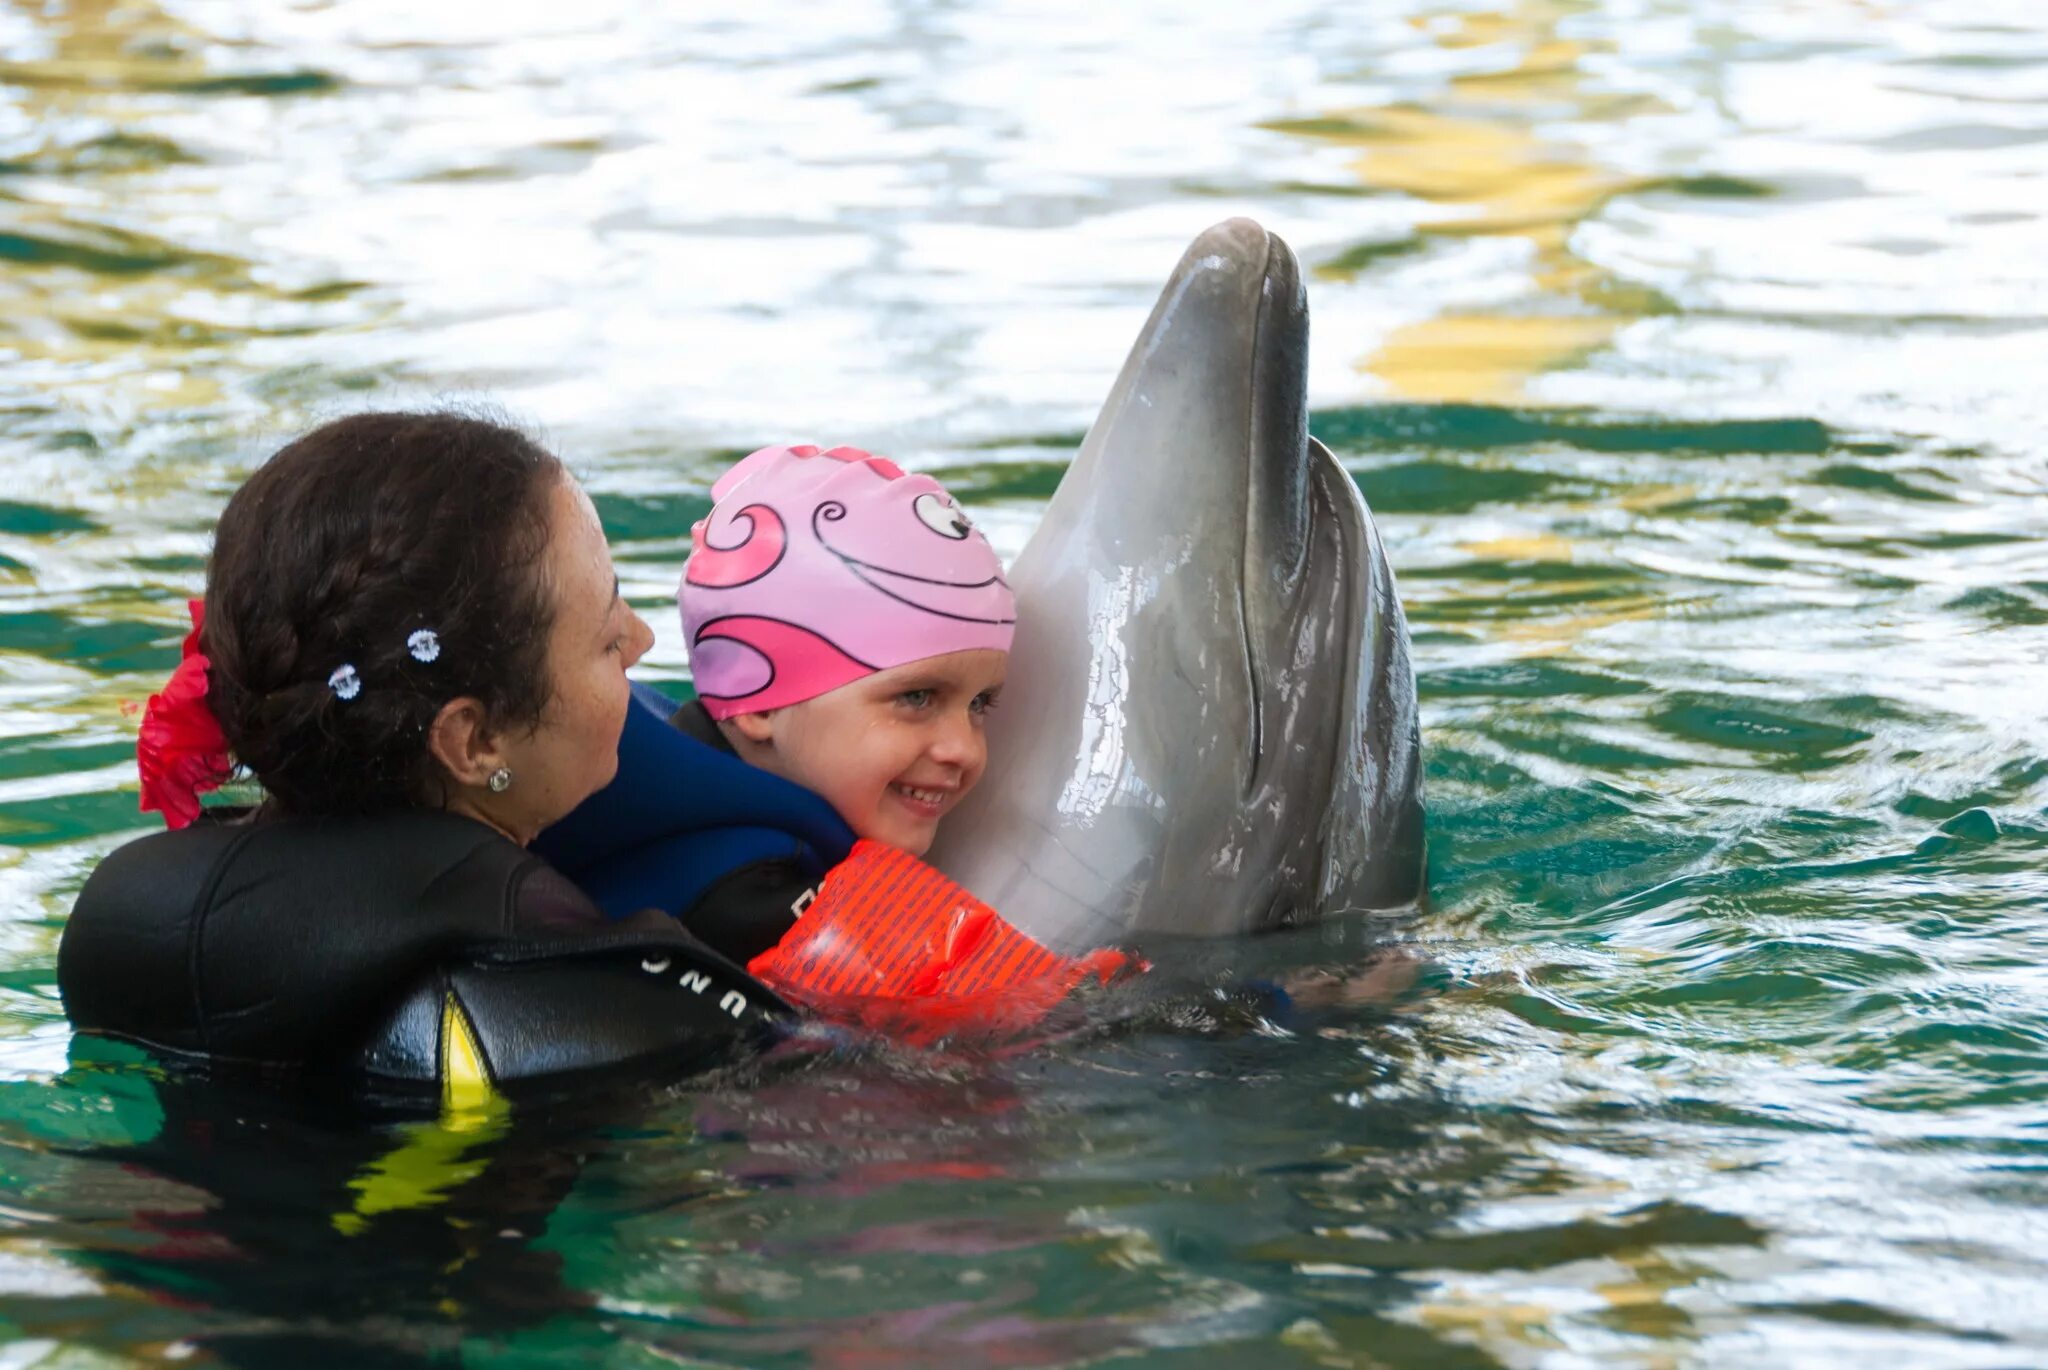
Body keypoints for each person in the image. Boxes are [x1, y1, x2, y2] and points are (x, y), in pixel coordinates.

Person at [58, 412, 790, 1108]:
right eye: (606, 634)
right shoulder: (594, 993)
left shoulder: (144, 924)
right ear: (473, 743)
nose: (641, 641)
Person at [539, 445, 1134, 1034]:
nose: (964, 748)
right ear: (758, 704)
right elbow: (1029, 1028)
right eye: (917, 698)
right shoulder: (742, 893)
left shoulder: (696, 774)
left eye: (980, 704)